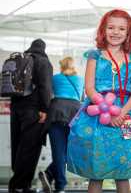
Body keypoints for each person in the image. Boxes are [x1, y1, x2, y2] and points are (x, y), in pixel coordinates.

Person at [67, 9, 131, 193]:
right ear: (103, 30)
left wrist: (121, 112)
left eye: (121, 28)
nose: (115, 32)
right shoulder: (94, 56)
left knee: (123, 173)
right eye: (111, 27)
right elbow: (89, 88)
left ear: (129, 33)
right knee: (96, 172)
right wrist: (106, 109)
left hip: (126, 114)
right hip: (97, 114)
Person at [8, 38, 53, 193]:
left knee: (17, 144)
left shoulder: (21, 59)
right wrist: (45, 109)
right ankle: (21, 185)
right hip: (34, 110)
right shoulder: (43, 62)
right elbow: (45, 87)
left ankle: (17, 184)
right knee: (30, 147)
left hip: (15, 108)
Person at [39, 57, 84, 193]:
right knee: (68, 153)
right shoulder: (80, 79)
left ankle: (57, 183)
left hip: (56, 113)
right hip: (75, 115)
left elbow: (48, 94)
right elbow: (82, 98)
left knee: (58, 152)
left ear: (61, 66)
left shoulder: (55, 78)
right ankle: (52, 177)